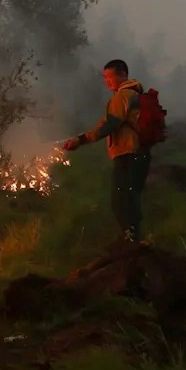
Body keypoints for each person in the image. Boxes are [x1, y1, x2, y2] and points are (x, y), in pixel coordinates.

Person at [62, 59, 151, 242]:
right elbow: (107, 124)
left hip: (128, 154)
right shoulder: (134, 95)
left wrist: (80, 141)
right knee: (129, 197)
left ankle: (130, 239)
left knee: (121, 200)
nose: (107, 81)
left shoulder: (122, 96)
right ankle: (133, 237)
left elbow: (110, 125)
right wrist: (81, 139)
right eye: (105, 77)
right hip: (139, 154)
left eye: (110, 77)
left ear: (123, 75)